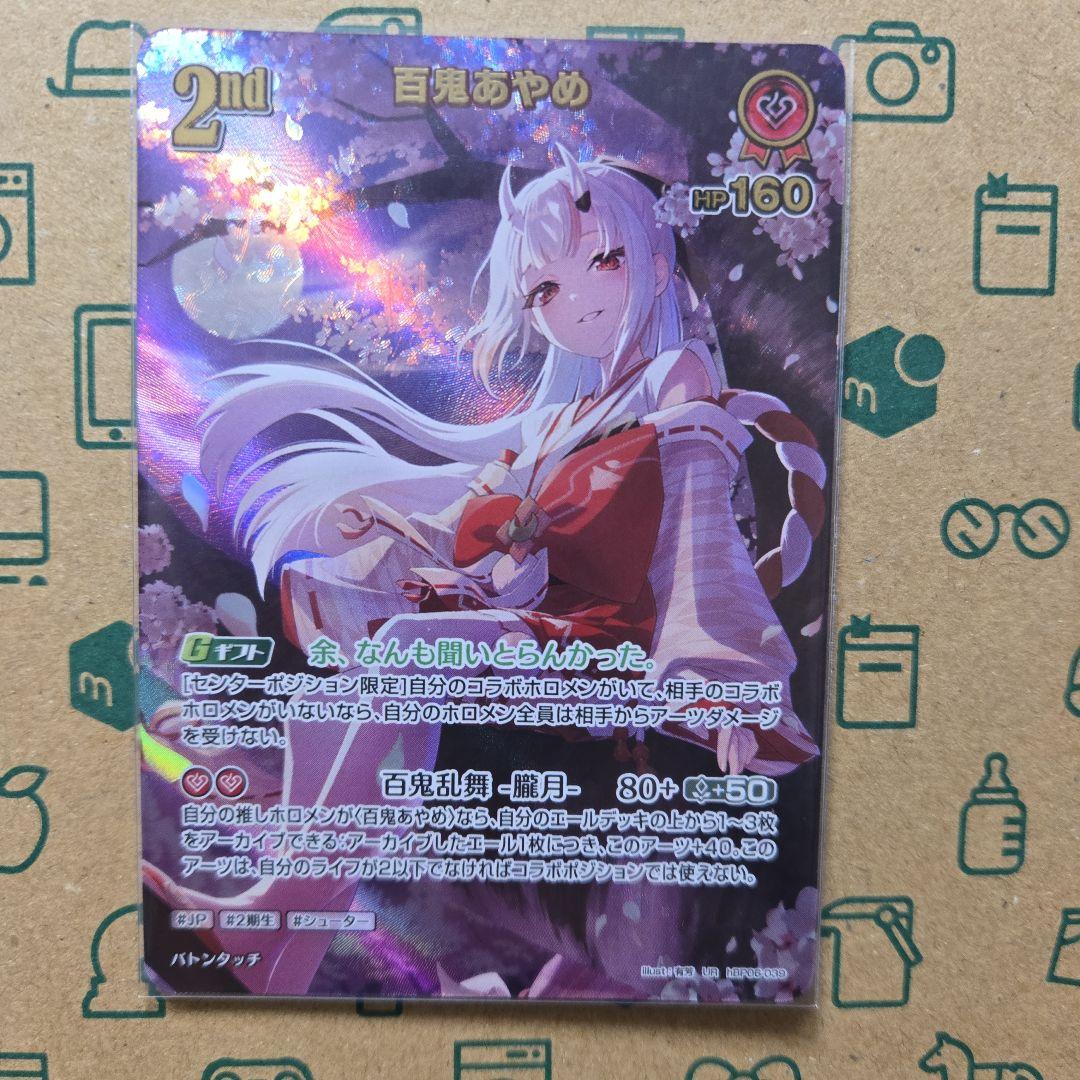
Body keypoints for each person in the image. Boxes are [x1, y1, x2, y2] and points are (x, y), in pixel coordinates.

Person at [145, 145, 825, 997]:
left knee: (408, 652)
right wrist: (388, 534)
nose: (574, 302)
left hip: (618, 645)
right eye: (544, 290)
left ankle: (269, 912)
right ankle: (275, 964)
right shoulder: (561, 419)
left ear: (656, 263)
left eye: (603, 262)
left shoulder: (675, 377)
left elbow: (699, 526)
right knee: (328, 704)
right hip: (544, 627)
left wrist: (724, 676)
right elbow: (492, 536)